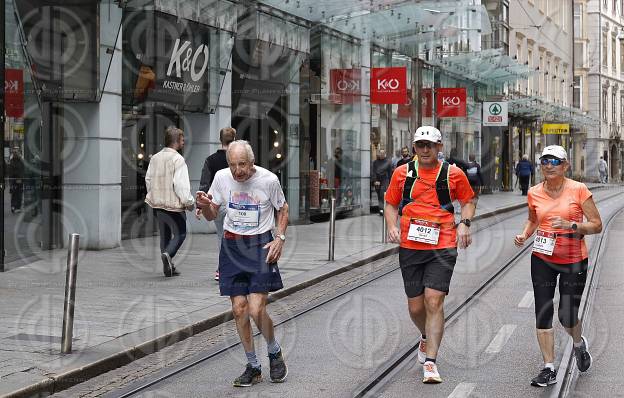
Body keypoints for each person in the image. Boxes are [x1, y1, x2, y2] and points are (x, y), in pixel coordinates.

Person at [385, 126, 475, 384]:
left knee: (433, 301)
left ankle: (431, 363)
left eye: (430, 145)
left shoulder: (453, 174)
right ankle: (425, 336)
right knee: (415, 307)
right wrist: (392, 225)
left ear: (439, 147)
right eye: (420, 145)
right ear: (414, 147)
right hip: (411, 246)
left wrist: (464, 224)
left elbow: (468, 200)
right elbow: (391, 203)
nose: (425, 150)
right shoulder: (402, 173)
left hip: (443, 244)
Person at [196, 140, 289, 387]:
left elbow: (283, 209)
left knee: (257, 309)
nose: (238, 171)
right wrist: (204, 206)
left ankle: (273, 350)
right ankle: (253, 366)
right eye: (233, 165)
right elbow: (211, 214)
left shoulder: (268, 180)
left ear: (252, 161)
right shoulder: (221, 177)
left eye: (242, 165)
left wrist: (279, 237)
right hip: (232, 246)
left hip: (260, 246)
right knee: (239, 309)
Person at [514, 145, 602, 387]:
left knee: (567, 315)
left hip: (573, 259)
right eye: (545, 161)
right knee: (543, 311)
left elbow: (596, 225)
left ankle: (577, 344)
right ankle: (548, 367)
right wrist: (524, 234)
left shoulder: (579, 190)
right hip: (542, 257)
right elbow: (533, 219)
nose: (549, 165)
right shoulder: (533, 192)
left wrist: (571, 225)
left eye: (555, 161)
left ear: (566, 165)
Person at [145, 126, 195, 277]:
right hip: (174, 206)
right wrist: (189, 202)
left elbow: (148, 179)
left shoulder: (155, 158)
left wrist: (153, 194)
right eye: (182, 139)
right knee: (180, 233)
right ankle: (168, 254)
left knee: (165, 234)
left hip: (157, 204)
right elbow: (181, 185)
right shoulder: (178, 159)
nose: (184, 142)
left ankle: (169, 266)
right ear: (176, 141)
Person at [197, 127, 237, 282]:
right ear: (234, 139)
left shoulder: (210, 160)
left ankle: (222, 269)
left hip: (216, 205)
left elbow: (204, 184)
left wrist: (200, 206)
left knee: (222, 236)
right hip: (234, 203)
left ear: (220, 140)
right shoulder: (236, 159)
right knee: (236, 236)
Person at [372, 149, 393, 215]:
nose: (381, 154)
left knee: (382, 194)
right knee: (379, 195)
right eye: (380, 153)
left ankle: (383, 209)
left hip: (385, 180)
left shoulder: (388, 162)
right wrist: (375, 180)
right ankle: (381, 209)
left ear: (385, 154)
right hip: (377, 180)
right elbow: (373, 172)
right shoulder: (375, 162)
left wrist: (390, 183)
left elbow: (390, 173)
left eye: (383, 153)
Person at [8, 147, 25, 213]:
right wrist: (11, 182)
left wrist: (21, 178)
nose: (15, 154)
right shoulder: (11, 161)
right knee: (14, 193)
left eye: (16, 152)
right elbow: (10, 172)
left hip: (20, 180)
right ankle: (13, 206)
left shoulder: (21, 161)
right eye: (14, 152)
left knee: (19, 194)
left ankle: (18, 207)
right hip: (14, 180)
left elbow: (22, 170)